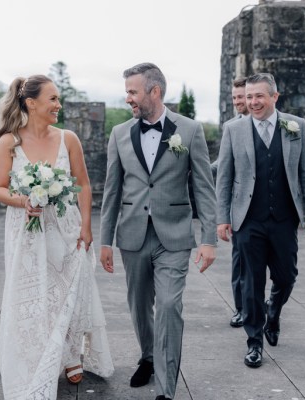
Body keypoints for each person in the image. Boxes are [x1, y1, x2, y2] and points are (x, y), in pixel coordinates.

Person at [0, 74, 114, 400]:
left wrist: (87, 226)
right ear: (31, 103)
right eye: (53, 99)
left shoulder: (68, 138)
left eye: (59, 99)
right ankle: (36, 353)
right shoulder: (8, 142)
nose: (59, 105)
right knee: (35, 293)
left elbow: (84, 184)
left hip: (66, 226)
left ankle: (72, 354)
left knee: (70, 289)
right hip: (27, 232)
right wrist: (22, 200)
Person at [100, 63, 217, 400]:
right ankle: (148, 356)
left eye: (133, 92)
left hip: (175, 235)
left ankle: (167, 390)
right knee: (139, 305)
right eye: (127, 92)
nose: (128, 99)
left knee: (168, 306)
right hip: (132, 234)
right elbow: (112, 191)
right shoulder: (120, 133)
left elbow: (204, 189)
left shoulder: (190, 130)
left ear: (155, 91)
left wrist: (208, 239)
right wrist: (105, 240)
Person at [216, 73, 305, 368]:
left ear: (275, 96)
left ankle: (273, 313)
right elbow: (224, 177)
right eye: (249, 97)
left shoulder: (295, 125)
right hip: (247, 220)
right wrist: (222, 218)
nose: (253, 102)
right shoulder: (233, 129)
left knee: (287, 276)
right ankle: (254, 342)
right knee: (251, 283)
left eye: (259, 96)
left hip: (285, 218)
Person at [211, 77, 249, 328]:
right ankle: (241, 308)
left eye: (240, 97)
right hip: (239, 208)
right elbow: (222, 164)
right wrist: (197, 168)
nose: (237, 102)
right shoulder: (231, 126)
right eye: (234, 98)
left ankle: (265, 304)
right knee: (240, 262)